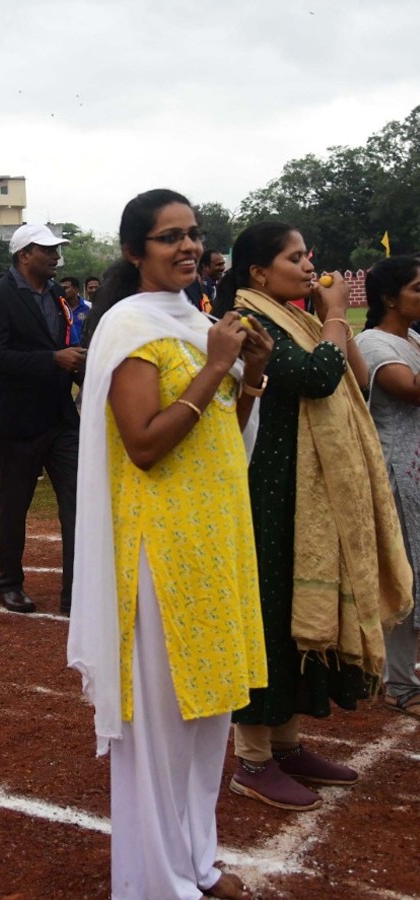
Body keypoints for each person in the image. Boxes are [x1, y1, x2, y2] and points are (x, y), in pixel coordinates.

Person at [69, 189, 269, 900]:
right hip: (157, 549)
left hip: (212, 540)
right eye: (168, 237)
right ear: (134, 252)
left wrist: (253, 379)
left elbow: (225, 439)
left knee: (209, 713)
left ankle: (197, 862)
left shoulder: (198, 321)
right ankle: (158, 881)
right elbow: (145, 446)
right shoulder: (129, 327)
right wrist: (217, 366)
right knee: (160, 728)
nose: (187, 246)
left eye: (193, 235)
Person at [217, 222, 412, 811]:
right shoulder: (249, 322)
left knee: (296, 612)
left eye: (308, 256)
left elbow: (347, 376)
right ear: (258, 273)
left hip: (302, 491)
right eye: (295, 258)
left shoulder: (290, 316)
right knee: (268, 615)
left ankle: (286, 744)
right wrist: (334, 314)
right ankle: (252, 759)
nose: (309, 266)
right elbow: (316, 377)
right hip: (267, 489)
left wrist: (330, 320)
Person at [0, 223, 83, 615]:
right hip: (19, 421)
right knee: (15, 506)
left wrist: (74, 360)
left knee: (77, 505)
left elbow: (57, 345)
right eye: (48, 250)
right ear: (24, 255)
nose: (56, 257)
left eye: (57, 250)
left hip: (60, 417)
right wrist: (51, 360)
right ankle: (10, 584)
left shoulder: (56, 294)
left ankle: (76, 592)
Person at [354, 255, 420, 718]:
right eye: (418, 288)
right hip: (395, 473)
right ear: (390, 298)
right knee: (404, 576)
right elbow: (412, 389)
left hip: (416, 469)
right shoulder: (372, 344)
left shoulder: (412, 338)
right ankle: (399, 682)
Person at [60, 275, 91, 345]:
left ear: (76, 290)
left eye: (65, 288)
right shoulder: (59, 308)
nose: (62, 291)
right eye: (61, 288)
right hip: (66, 351)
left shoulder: (89, 307)